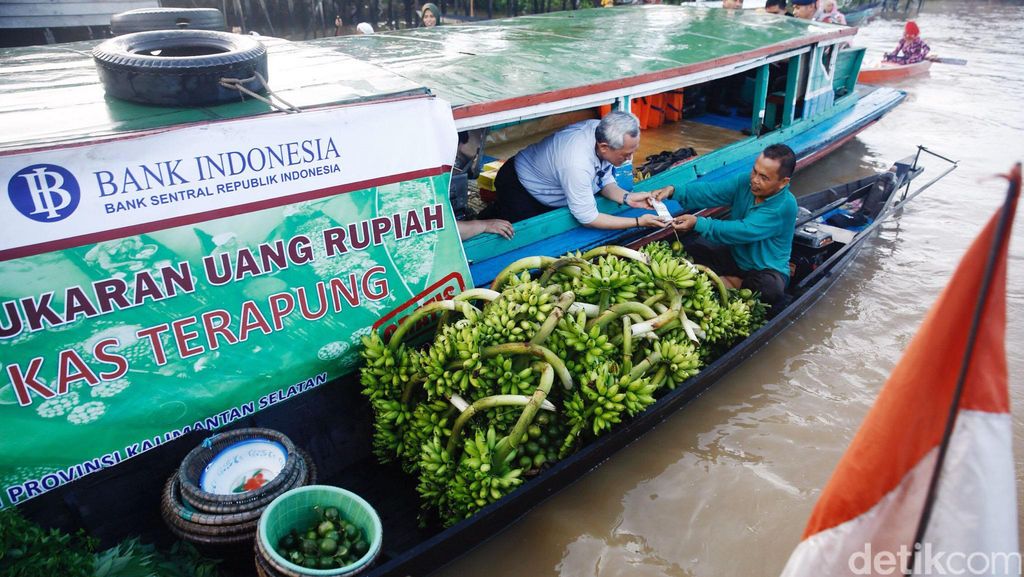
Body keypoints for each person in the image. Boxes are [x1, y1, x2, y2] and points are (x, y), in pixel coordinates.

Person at [480, 111, 673, 230]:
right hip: (520, 185)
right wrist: (639, 222)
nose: (630, 159)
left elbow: (603, 179)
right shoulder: (576, 163)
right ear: (604, 147)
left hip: (549, 183)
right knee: (508, 228)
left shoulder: (601, 132)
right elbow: (588, 218)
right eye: (626, 154)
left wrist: (628, 198)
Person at [667, 144, 798, 309]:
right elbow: (712, 191)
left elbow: (743, 230)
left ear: (783, 182)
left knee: (769, 288)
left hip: (764, 269)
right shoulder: (746, 183)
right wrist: (674, 191)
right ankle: (728, 282)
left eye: (764, 177)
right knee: (691, 251)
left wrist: (698, 223)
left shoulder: (784, 206)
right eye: (754, 171)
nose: (755, 180)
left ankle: (731, 282)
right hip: (736, 257)